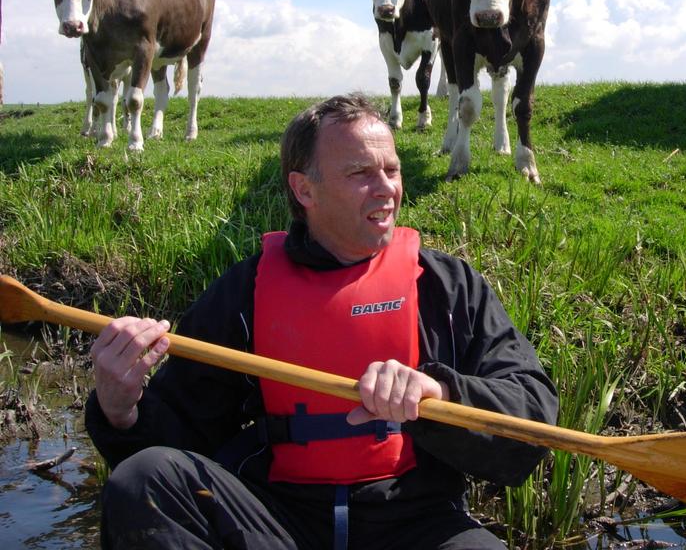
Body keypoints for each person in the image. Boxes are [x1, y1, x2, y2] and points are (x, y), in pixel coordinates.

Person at [85, 93, 559, 550]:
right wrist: (119, 411)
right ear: (303, 188)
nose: (387, 188)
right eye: (359, 173)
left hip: (418, 518)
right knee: (142, 481)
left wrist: (442, 394)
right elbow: (177, 432)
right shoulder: (246, 292)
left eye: (392, 170)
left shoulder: (447, 286)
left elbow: (532, 409)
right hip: (278, 518)